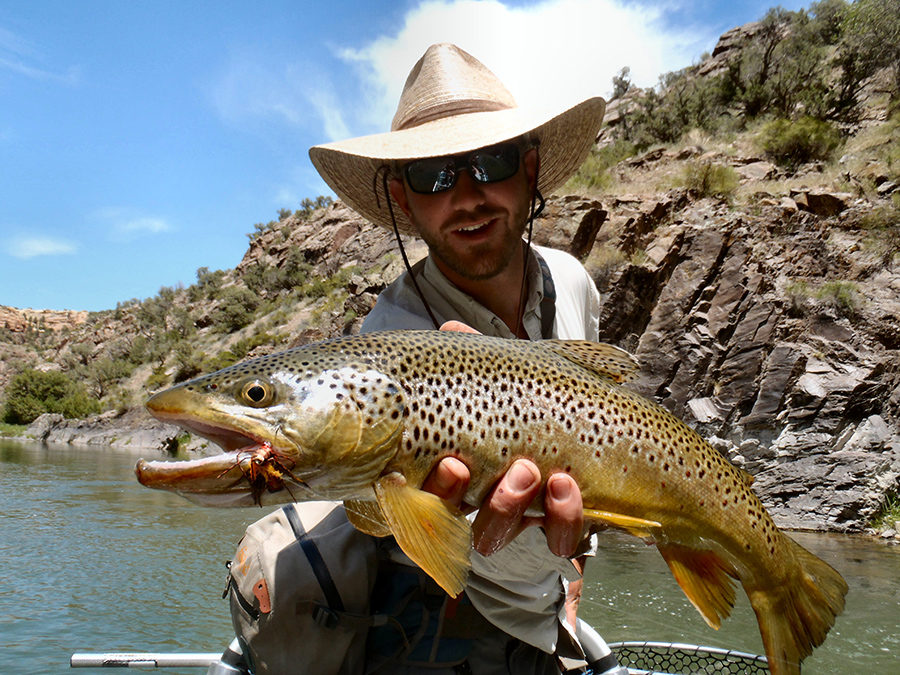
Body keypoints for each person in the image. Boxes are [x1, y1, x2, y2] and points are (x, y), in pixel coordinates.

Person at [221, 43, 625, 675]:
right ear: (402, 201)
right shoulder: (389, 338)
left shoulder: (574, 281)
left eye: (489, 163)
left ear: (530, 170)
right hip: (444, 621)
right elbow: (422, 535)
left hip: (547, 615)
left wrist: (569, 584)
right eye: (433, 175)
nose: (466, 196)